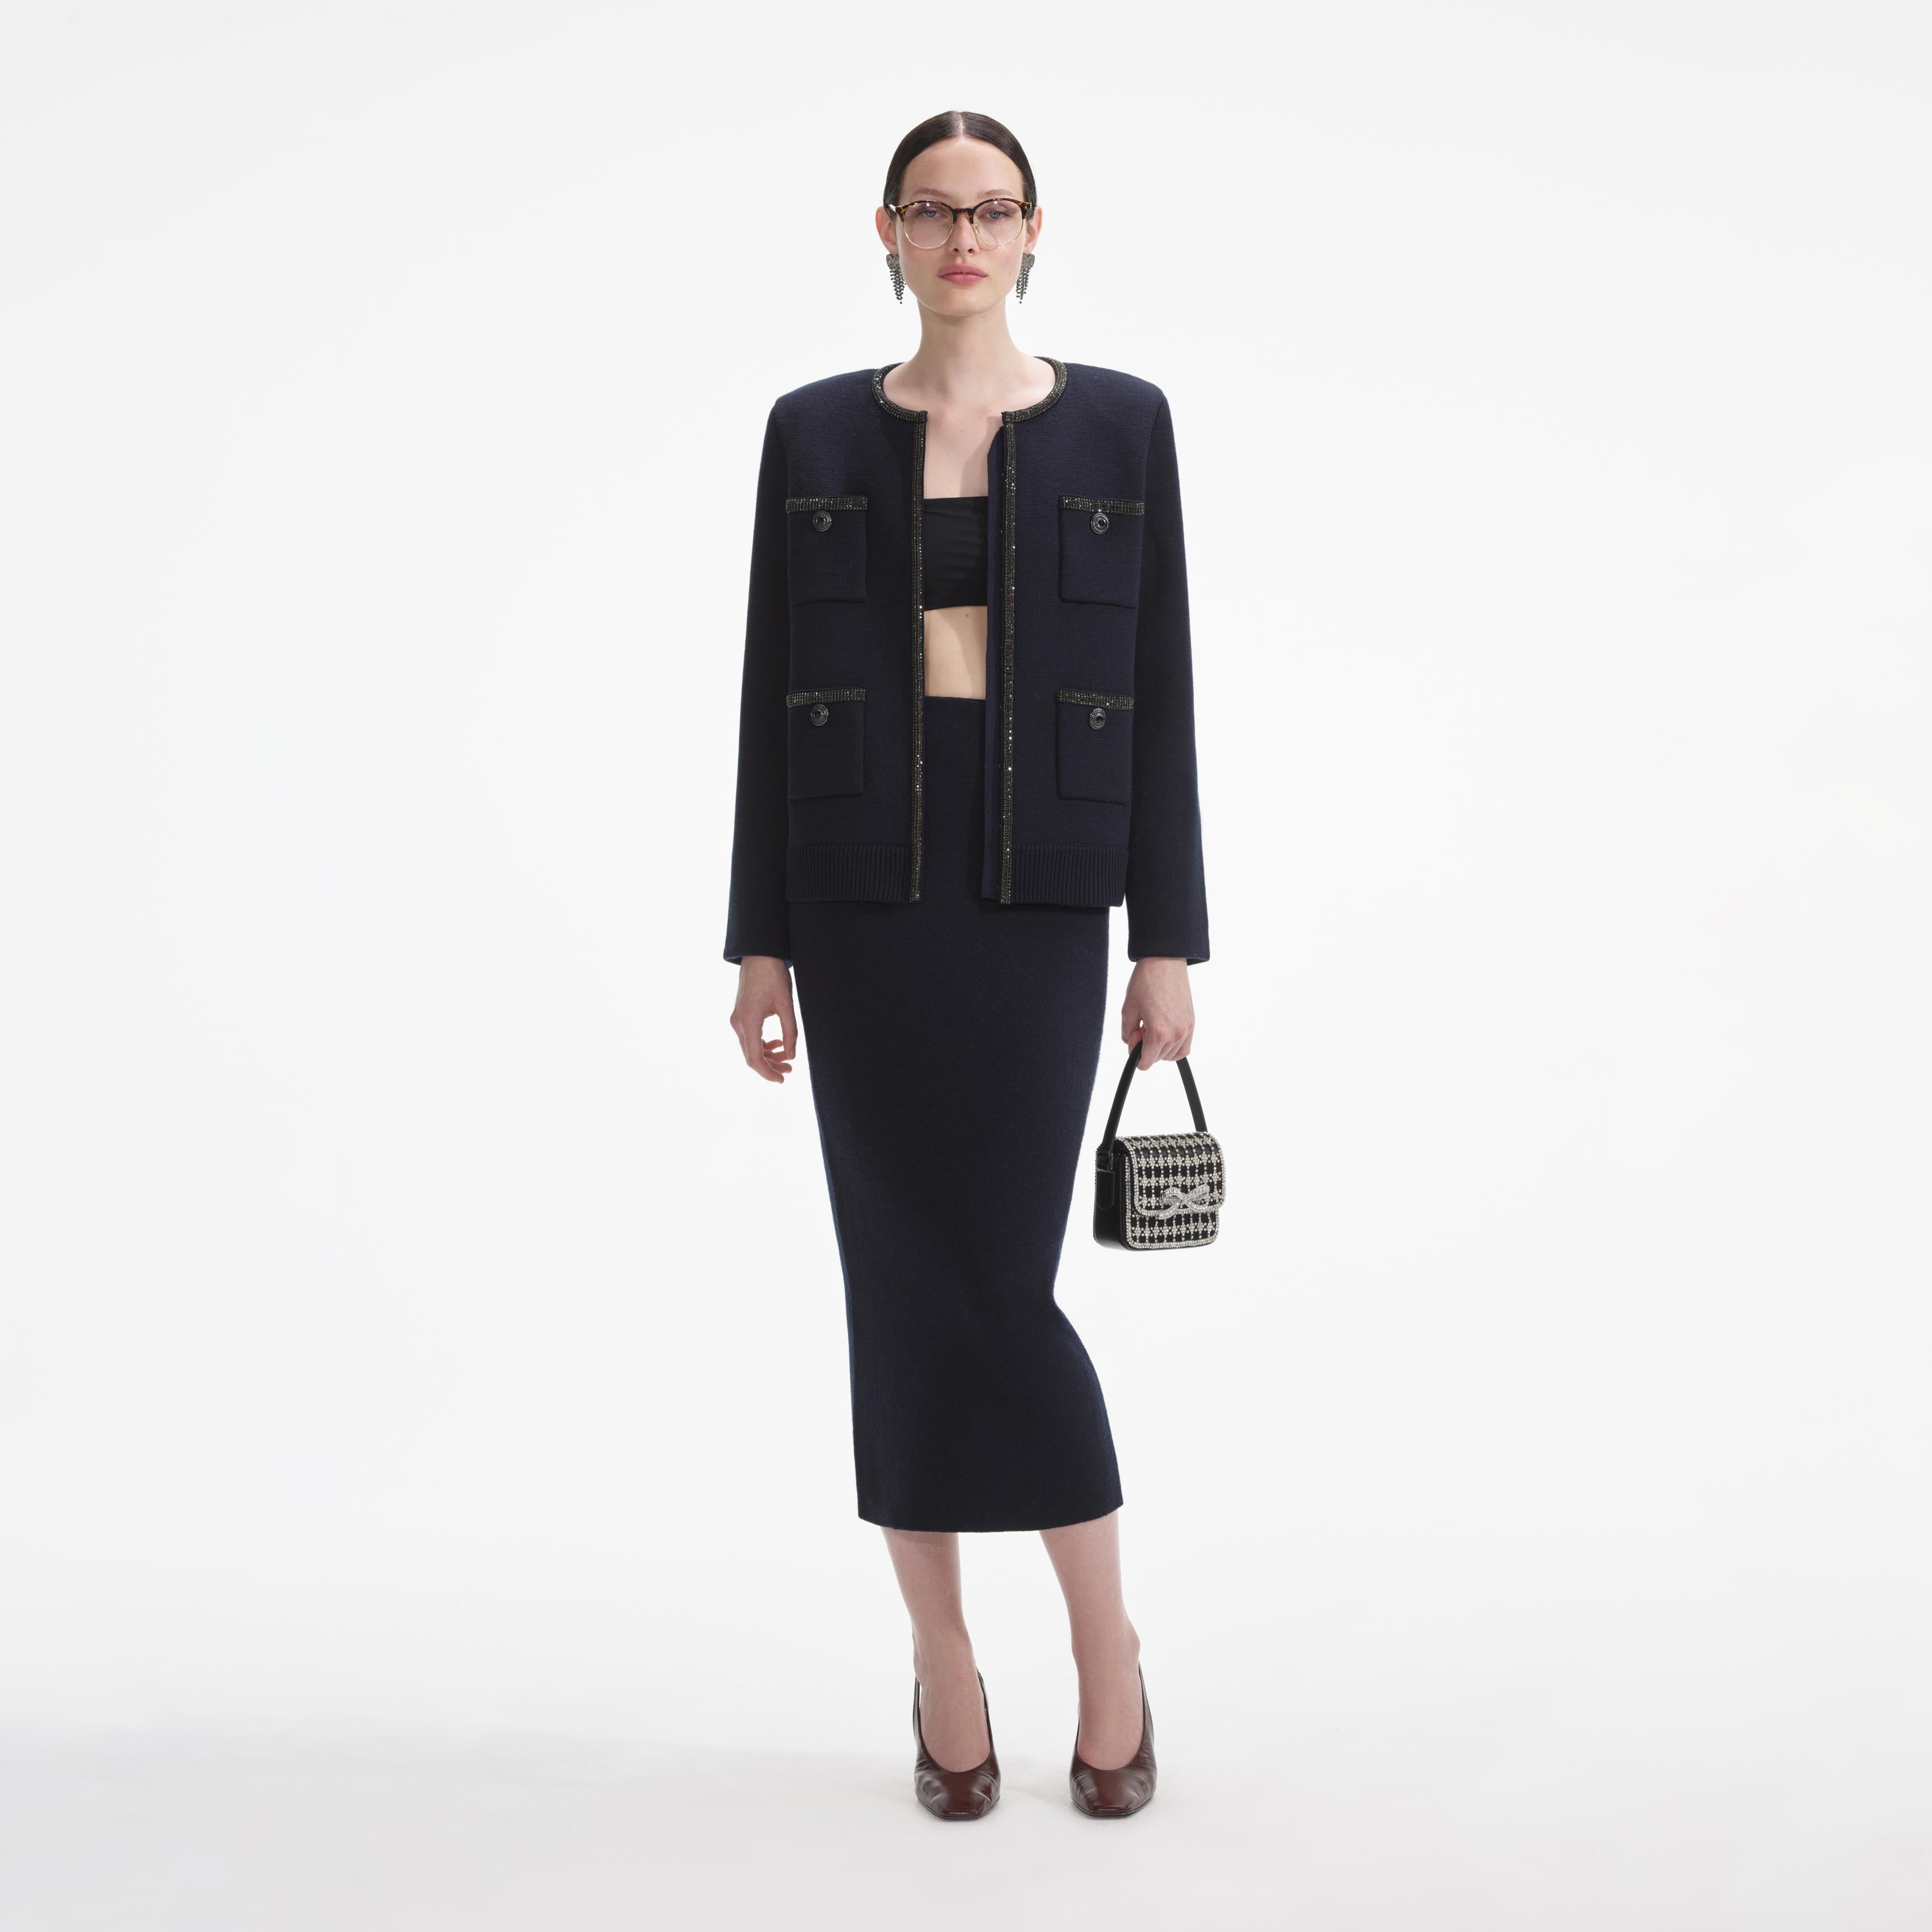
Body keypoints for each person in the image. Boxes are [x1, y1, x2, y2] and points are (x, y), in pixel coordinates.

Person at [721, 109, 1209, 1822]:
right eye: (932, 211)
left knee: (1000, 1289)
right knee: (898, 1286)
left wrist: (1170, 939)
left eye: (990, 210)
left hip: (1037, 902)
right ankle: (941, 1661)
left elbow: (1163, 689)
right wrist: (761, 936)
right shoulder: (813, 432)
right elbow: (770, 695)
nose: (962, 238)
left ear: (1033, 230)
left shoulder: (1122, 423)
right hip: (862, 903)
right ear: (888, 231)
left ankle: (1105, 1647)